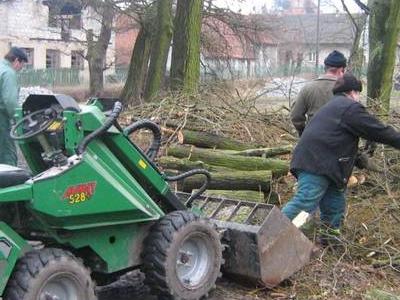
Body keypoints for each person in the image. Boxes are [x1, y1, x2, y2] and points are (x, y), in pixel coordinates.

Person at [282, 73, 400, 236]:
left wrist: (361, 159)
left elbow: (339, 140)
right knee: (304, 202)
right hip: (317, 165)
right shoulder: (349, 108)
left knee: (334, 206)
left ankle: (330, 241)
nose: (358, 97)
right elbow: (379, 131)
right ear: (352, 92)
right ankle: (266, 236)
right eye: (358, 93)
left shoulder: (332, 108)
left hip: (329, 167)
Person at [290, 50, 347, 136]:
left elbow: (295, 116)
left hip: (313, 139)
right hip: (340, 141)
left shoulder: (308, 88)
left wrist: (304, 132)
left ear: (325, 68)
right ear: (341, 70)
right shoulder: (348, 91)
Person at [0, 47, 27, 166]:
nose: (21, 68)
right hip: (1, 119)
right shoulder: (8, 73)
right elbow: (10, 101)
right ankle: (11, 183)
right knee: (7, 154)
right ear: (16, 60)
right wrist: (20, 120)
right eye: (22, 64)